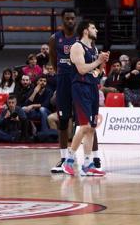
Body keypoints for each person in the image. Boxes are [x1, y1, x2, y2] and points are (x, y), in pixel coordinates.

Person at [62, 20, 108, 176]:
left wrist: (101, 65)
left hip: (92, 87)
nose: (97, 30)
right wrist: (98, 61)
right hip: (80, 88)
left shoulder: (94, 48)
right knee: (84, 126)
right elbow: (81, 70)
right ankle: (68, 160)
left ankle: (87, 164)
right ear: (86, 31)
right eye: (94, 27)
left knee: (92, 128)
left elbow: (95, 73)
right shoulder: (76, 47)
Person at [49, 9, 80, 172]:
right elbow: (54, 61)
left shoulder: (81, 38)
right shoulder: (55, 39)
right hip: (62, 83)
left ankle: (79, 155)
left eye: (72, 18)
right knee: (63, 121)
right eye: (67, 18)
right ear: (62, 20)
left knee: (81, 121)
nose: (70, 21)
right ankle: (63, 158)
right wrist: (62, 72)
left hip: (78, 82)